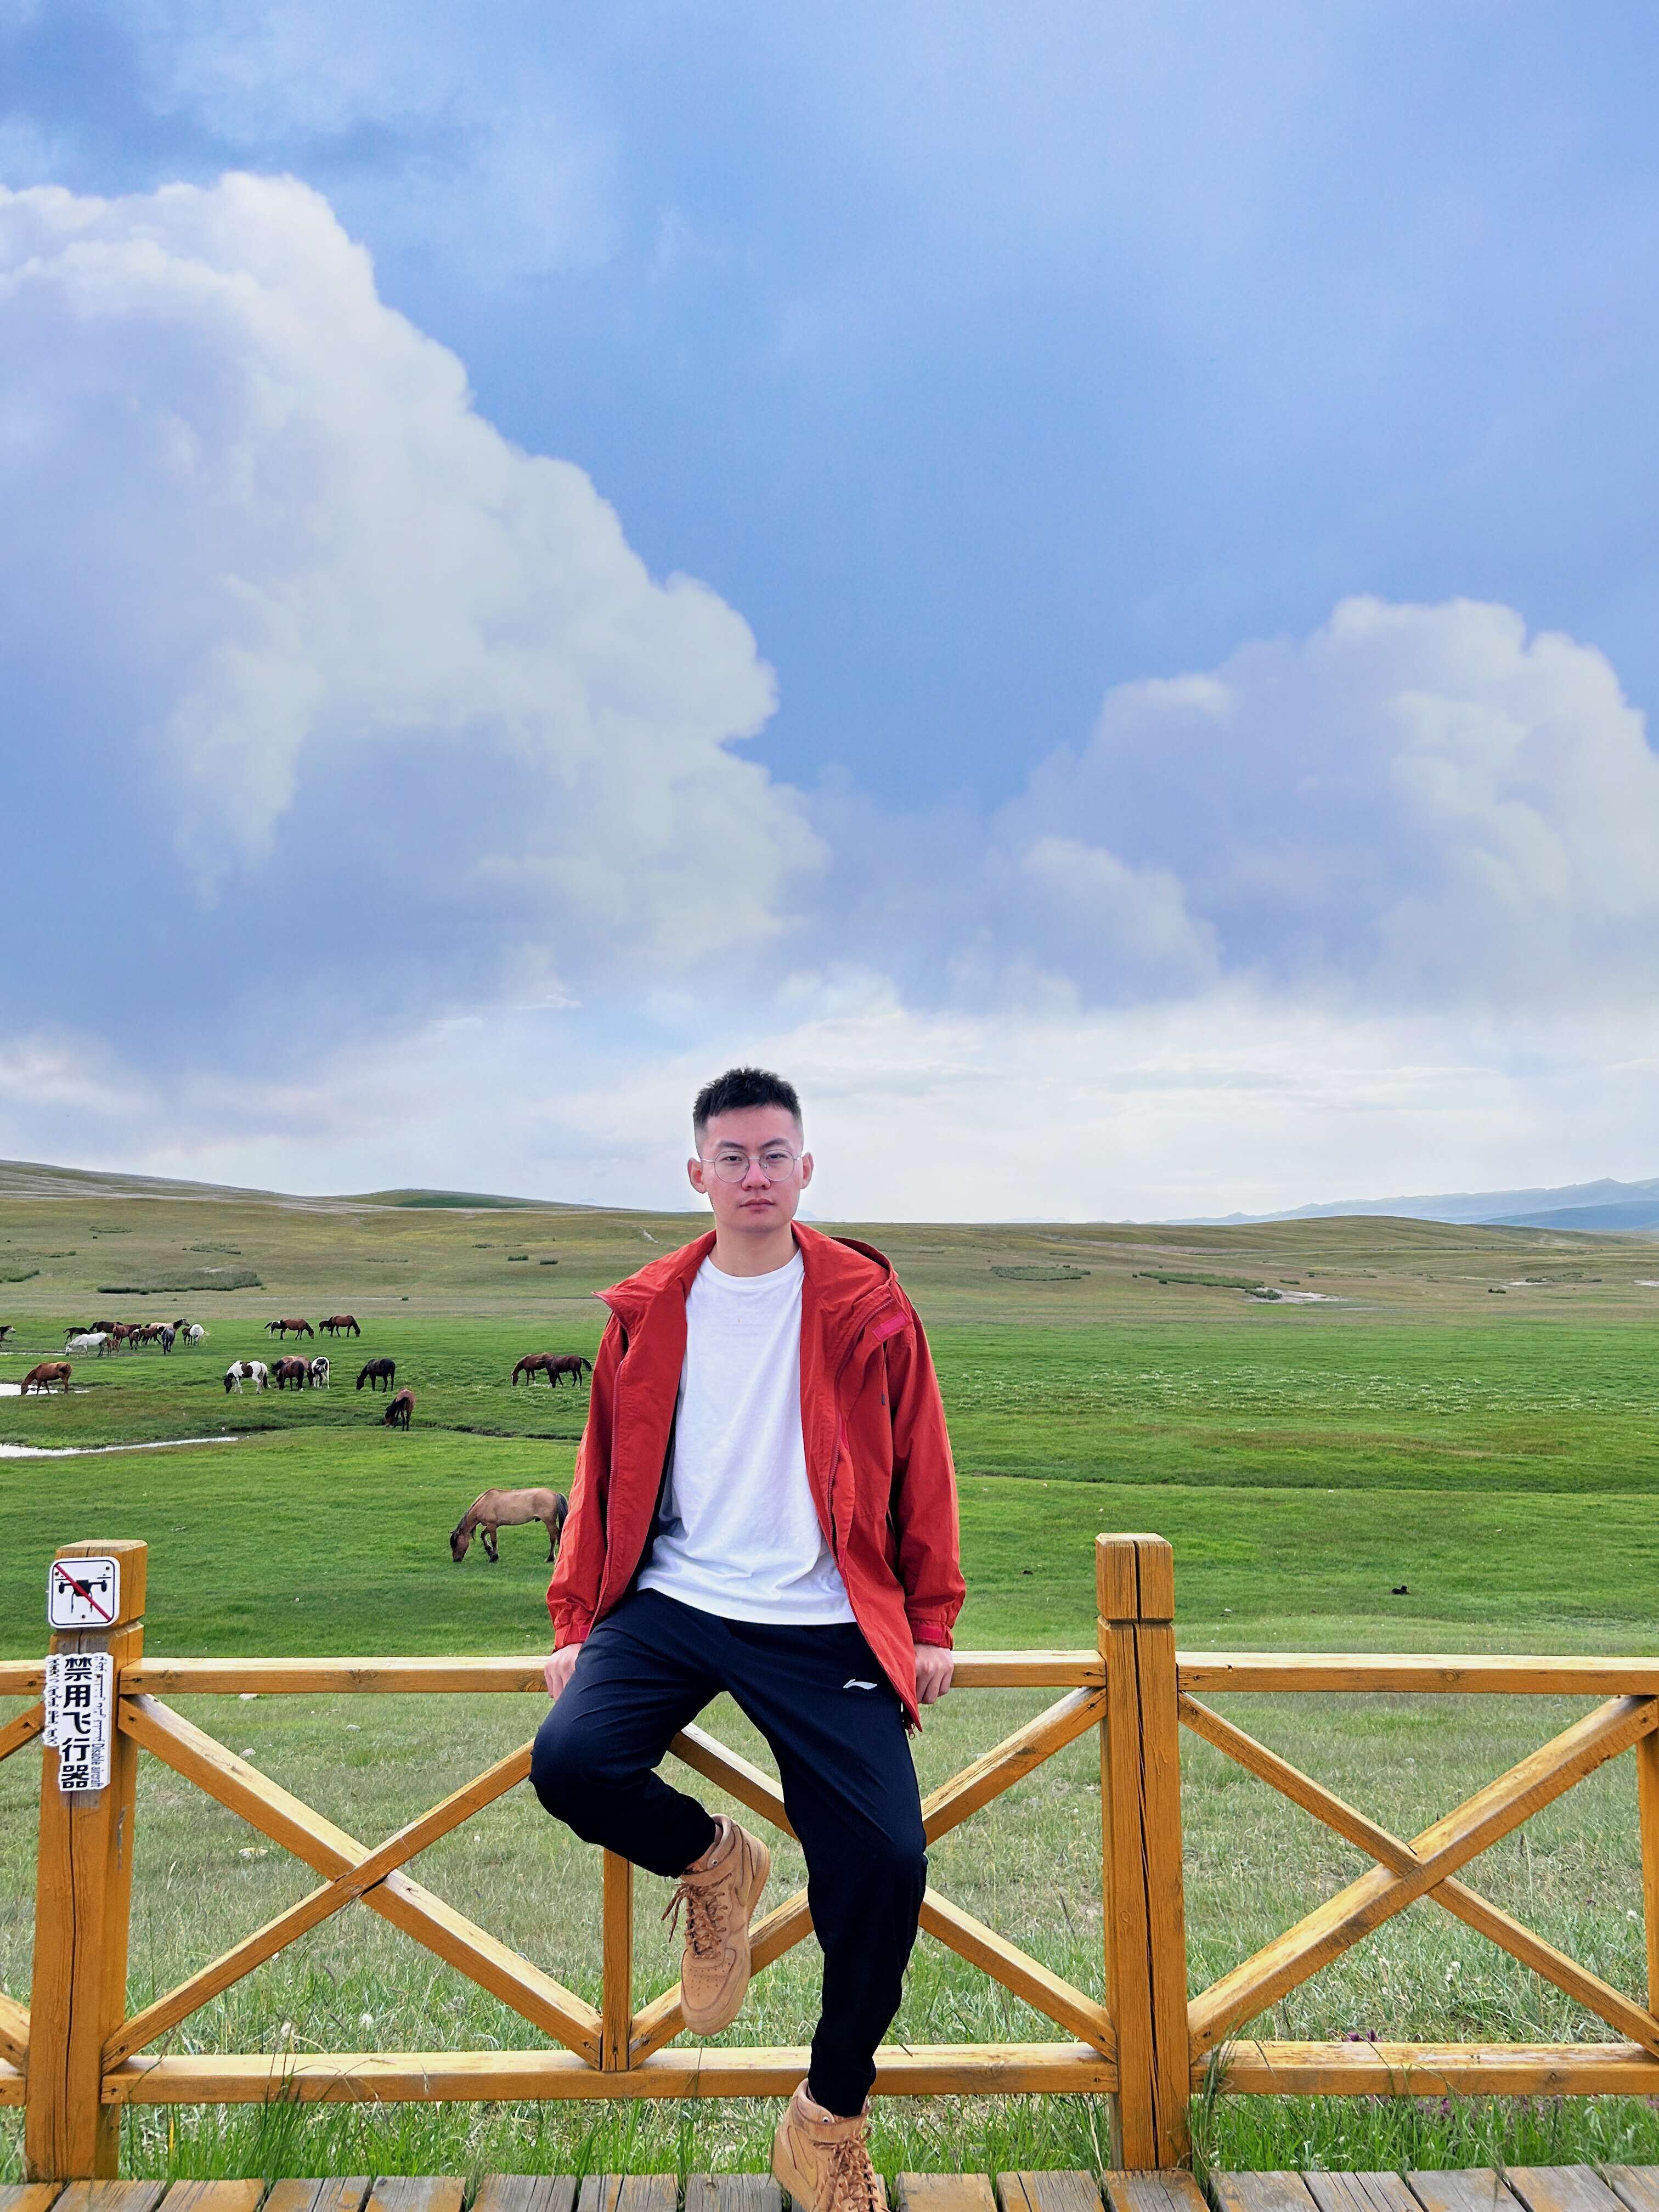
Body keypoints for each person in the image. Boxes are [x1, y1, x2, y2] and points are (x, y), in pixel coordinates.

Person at [531, 1065, 964, 2210]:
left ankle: (828, 2119)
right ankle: (713, 1862)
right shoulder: (649, 1311)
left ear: (805, 1168)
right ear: (699, 1174)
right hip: (675, 1602)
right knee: (571, 1763)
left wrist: (930, 1619)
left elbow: (921, 1455)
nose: (755, 1175)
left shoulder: (867, 1304)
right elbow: (601, 1469)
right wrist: (577, 1617)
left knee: (886, 1866)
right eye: (733, 1157)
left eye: (775, 1155)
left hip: (822, 1617)